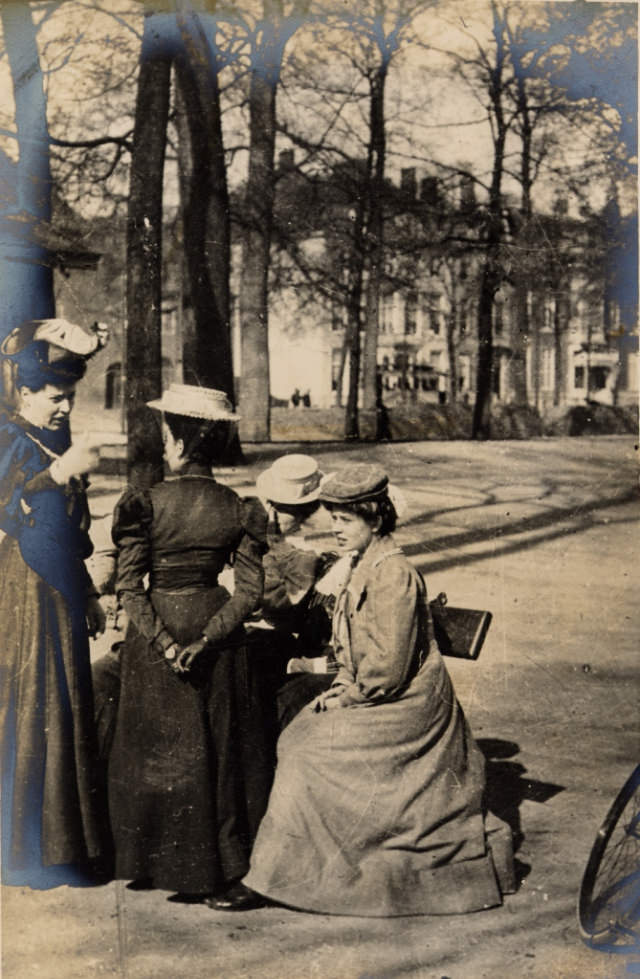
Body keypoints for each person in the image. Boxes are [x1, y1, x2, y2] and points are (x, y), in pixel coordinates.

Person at [239, 463, 515, 916]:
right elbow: (352, 652)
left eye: (345, 521)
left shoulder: (394, 575)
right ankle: (287, 870)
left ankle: (296, 876)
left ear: (375, 519)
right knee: (299, 732)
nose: (336, 530)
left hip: (410, 709)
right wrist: (342, 685)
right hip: (376, 693)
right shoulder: (363, 565)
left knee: (309, 749)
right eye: (333, 519)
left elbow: (388, 670)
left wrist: (347, 694)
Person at [106, 383, 271, 908]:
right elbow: (250, 592)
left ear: (175, 439)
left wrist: (162, 641)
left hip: (156, 630)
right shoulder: (241, 508)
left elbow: (129, 587)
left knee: (156, 747)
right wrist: (206, 638)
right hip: (214, 629)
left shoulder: (144, 504)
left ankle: (153, 862)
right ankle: (216, 864)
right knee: (216, 751)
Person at [0, 318, 110, 888]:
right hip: (21, 587)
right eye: (54, 396)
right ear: (24, 392)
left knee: (61, 702)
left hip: (60, 586)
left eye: (69, 396)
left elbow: (72, 528)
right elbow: (5, 504)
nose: (65, 406)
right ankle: (21, 850)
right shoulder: (9, 437)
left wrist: (90, 592)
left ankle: (62, 843)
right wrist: (56, 474)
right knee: (30, 702)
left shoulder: (50, 439)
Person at [252, 454, 340, 730]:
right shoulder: (283, 546)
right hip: (304, 645)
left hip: (326, 657)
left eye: (283, 508)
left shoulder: (307, 554)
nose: (273, 514)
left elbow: (281, 608)